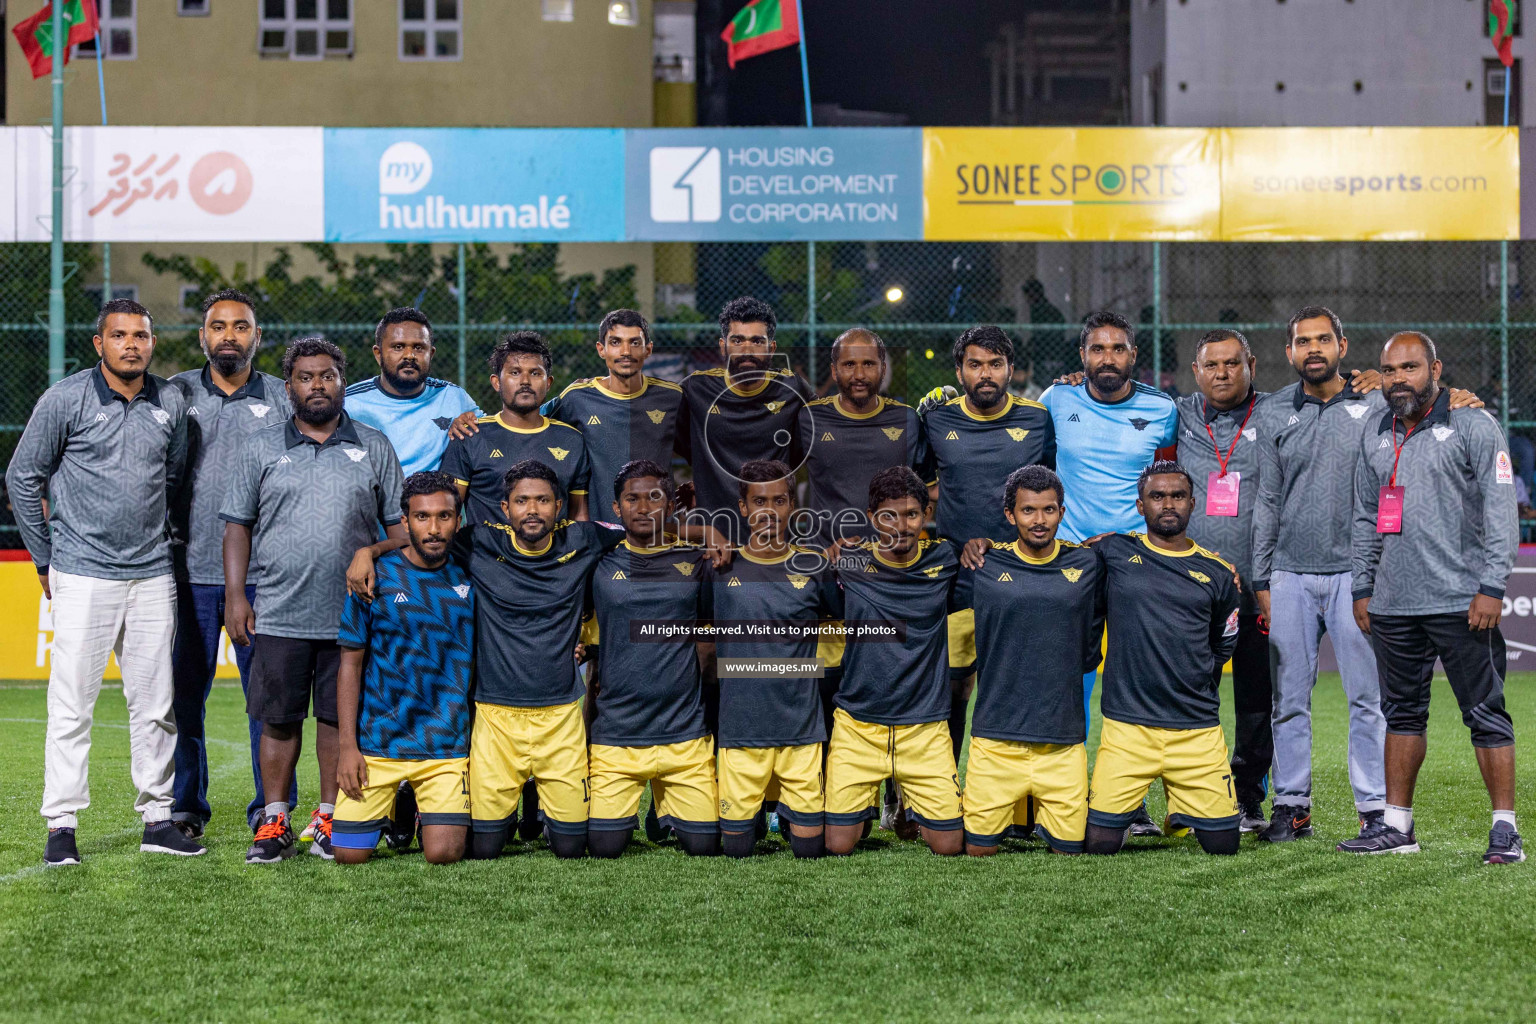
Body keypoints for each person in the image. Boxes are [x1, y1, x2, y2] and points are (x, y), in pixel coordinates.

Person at [7, 298, 205, 866]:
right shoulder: (65, 399)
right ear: (100, 344)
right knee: (72, 705)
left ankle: (158, 818)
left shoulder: (169, 400)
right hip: (82, 573)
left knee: (155, 705)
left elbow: (172, 477)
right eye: (119, 336)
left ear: (152, 342)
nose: (131, 345)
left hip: (150, 576)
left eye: (140, 336)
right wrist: (46, 559)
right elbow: (24, 476)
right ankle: (62, 825)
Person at [221, 338, 405, 864]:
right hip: (279, 608)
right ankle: (274, 818)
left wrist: (370, 550)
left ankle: (328, 817)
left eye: (327, 376)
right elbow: (238, 527)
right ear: (289, 387)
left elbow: (401, 531)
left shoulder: (373, 445)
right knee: (278, 719)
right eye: (306, 377)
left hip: (351, 615)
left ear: (343, 382)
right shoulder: (260, 446)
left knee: (334, 719)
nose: (317, 385)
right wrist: (237, 596)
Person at [1346, 332, 1522, 864]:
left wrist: (1492, 586)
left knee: (1486, 714)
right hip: (1393, 604)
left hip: (1462, 601)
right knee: (1401, 714)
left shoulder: (1474, 424)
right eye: (1390, 370)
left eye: (1410, 368)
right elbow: (1363, 517)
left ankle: (1505, 830)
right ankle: (1397, 826)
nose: (1399, 379)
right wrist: (1363, 585)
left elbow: (1501, 512)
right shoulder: (1376, 431)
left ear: (1435, 369)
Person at [167, 289, 295, 840]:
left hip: (262, 579)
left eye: (240, 327)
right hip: (187, 573)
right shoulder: (174, 394)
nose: (229, 336)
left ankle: (271, 809)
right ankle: (186, 806)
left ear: (256, 336)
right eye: (218, 326)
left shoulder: (284, 398)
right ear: (203, 336)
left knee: (265, 702)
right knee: (182, 699)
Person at [1084, 461, 1242, 856]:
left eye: (1176, 496)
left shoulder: (1218, 571)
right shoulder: (1114, 550)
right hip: (1128, 728)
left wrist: (1198, 673)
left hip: (1195, 729)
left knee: (1223, 846)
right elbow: (1060, 559)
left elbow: (1225, 640)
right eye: (1157, 496)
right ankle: (1130, 813)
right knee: (1098, 845)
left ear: (1192, 502)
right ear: (1141, 505)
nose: (1167, 503)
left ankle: (1184, 811)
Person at [918, 325, 1053, 765]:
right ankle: (939, 788)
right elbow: (918, 490)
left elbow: (1048, 492)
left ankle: (1017, 801)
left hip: (1021, 573)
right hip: (956, 577)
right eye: (975, 364)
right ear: (959, 371)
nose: (986, 373)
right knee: (951, 688)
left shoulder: (1036, 419)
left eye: (995, 364)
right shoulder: (937, 419)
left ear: (1010, 368)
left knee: (1016, 683)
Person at [957, 465, 1105, 856]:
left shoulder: (1088, 563)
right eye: (1028, 511)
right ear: (1010, 514)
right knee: (976, 851)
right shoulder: (982, 563)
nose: (1039, 521)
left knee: (1070, 851)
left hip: (1062, 743)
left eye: (1049, 510)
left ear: (1062, 512)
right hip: (995, 739)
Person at [332, 472, 474, 865]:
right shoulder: (372, 578)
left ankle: (413, 801)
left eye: (444, 517)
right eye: (422, 517)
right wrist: (348, 748)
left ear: (458, 522)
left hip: (445, 746)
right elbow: (349, 666)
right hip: (380, 743)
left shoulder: (472, 571)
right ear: (405, 519)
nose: (433, 528)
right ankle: (398, 799)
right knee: (348, 854)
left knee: (443, 854)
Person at [824, 467, 964, 857]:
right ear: (871, 517)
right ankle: (868, 803)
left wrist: (982, 544)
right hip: (859, 723)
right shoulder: (848, 562)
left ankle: (907, 797)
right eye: (889, 515)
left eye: (912, 515)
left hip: (924, 726)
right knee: (838, 845)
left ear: (926, 514)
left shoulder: (945, 560)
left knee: (949, 846)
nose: (901, 526)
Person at [586, 460, 720, 858]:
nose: (643, 507)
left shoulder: (697, 562)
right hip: (618, 732)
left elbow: (711, 630)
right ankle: (656, 813)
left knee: (705, 846)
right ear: (616, 508)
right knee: (604, 848)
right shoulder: (598, 561)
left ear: (672, 505)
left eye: (654, 497)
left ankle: (666, 812)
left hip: (683, 731)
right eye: (632, 498)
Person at [711, 460, 842, 859]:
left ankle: (786, 816)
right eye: (760, 501)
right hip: (740, 729)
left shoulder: (814, 565)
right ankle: (755, 816)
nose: (770, 510)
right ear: (744, 507)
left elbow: (839, 625)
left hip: (800, 730)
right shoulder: (719, 566)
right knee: (736, 849)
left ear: (791, 507)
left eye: (780, 500)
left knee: (810, 850)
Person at [1174, 329, 1273, 833]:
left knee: (1257, 696)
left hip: (1259, 586)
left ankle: (1250, 797)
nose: (1222, 374)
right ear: (1197, 372)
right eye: (1211, 365)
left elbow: (1338, 397)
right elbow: (1120, 397)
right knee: (1193, 691)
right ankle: (1194, 793)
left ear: (1250, 364)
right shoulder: (1181, 412)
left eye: (1232, 364)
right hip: (1194, 588)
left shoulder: (1278, 411)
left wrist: (1362, 382)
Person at [675, 296, 815, 537]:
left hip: (774, 540)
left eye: (757, 341)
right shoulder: (695, 389)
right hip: (715, 539)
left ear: (771, 348)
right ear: (723, 346)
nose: (747, 351)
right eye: (737, 340)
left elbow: (821, 438)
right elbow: (669, 438)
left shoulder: (793, 389)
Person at [441, 330, 591, 529]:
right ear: (496, 382)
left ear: (548, 383)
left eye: (535, 373)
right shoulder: (470, 435)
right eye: (515, 372)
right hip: (487, 558)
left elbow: (578, 514)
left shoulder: (572, 439)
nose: (525, 381)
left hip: (553, 559)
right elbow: (446, 511)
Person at [797, 328, 928, 548]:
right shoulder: (808, 418)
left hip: (889, 561)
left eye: (868, 364)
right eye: (849, 365)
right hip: (825, 560)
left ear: (883, 369)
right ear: (834, 371)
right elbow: (777, 478)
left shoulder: (907, 419)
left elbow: (928, 490)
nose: (859, 375)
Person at [541, 308, 685, 495]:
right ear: (601, 350)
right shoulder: (577, 398)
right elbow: (533, 429)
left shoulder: (672, 397)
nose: (626, 351)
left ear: (648, 349)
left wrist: (699, 483)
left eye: (634, 342)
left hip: (657, 521)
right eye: (616, 342)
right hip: (597, 521)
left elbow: (702, 446)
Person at [344, 307, 481, 477]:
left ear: (431, 354)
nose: (409, 355)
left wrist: (471, 423)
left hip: (435, 502)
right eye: (398, 347)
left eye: (418, 347)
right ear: (378, 354)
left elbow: (495, 438)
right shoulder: (348, 403)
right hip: (372, 501)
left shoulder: (453, 397)